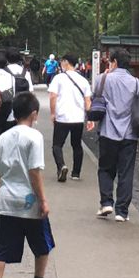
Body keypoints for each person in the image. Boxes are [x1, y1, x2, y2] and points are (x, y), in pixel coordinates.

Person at [0, 89, 55, 278]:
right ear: (34, 114)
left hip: (6, 200)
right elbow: (35, 172)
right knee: (43, 244)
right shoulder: (35, 137)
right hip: (29, 202)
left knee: (2, 247)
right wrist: (43, 200)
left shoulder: (3, 138)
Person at [90, 47, 139, 221]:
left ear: (114, 62)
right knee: (126, 171)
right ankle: (122, 211)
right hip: (129, 134)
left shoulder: (102, 79)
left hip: (107, 132)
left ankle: (106, 202)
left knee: (105, 169)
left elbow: (95, 99)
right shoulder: (136, 83)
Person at [47, 54, 92, 183]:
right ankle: (76, 173)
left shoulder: (59, 78)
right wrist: (90, 118)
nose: (61, 64)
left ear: (66, 62)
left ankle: (61, 166)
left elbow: (52, 97)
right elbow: (88, 101)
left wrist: (52, 113)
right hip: (78, 118)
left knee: (57, 145)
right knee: (77, 145)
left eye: (62, 62)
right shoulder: (83, 80)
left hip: (62, 117)